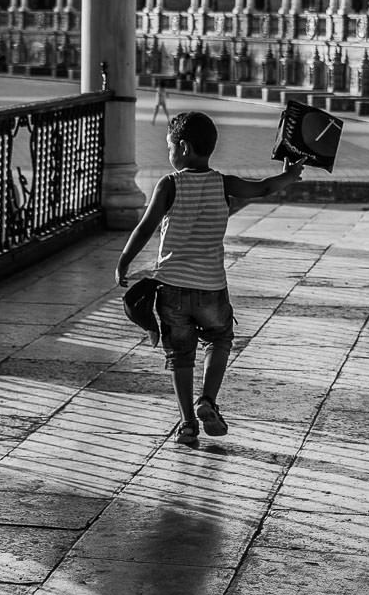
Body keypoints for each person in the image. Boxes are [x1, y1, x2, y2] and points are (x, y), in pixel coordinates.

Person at [115, 109, 304, 448]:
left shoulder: (169, 185)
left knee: (179, 355)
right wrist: (289, 175)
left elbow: (145, 227)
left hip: (172, 288)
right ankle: (208, 400)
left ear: (184, 148)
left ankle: (187, 424)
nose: (169, 152)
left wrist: (124, 262)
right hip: (212, 287)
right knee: (219, 339)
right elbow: (261, 189)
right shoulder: (224, 183)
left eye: (170, 146)